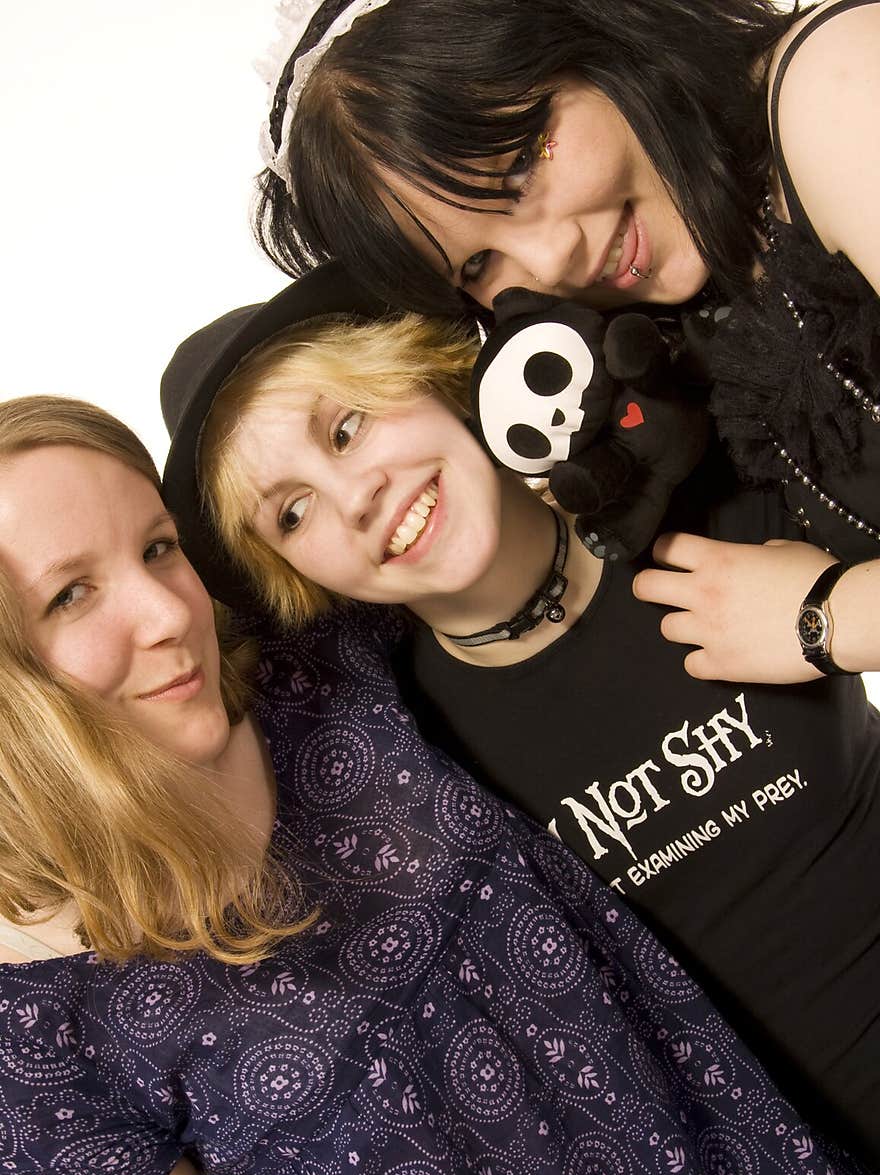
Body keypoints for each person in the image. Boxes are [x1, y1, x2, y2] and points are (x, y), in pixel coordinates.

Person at [3, 385, 865, 1175]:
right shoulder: (35, 1026)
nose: (164, 612)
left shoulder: (328, 670)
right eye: (70, 594)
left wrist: (825, 611)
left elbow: (489, 507)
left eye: (158, 547)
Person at [163, 263, 880, 1175]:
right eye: (292, 513)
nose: (354, 499)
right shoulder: (402, 760)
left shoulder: (705, 479)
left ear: (427, 373)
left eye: (347, 427)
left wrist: (827, 612)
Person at [251, 0, 880, 685]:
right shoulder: (683, 316)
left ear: (586, 33)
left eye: (520, 167)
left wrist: (822, 618)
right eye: (477, 266)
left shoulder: (838, 87)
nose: (550, 262)